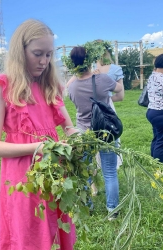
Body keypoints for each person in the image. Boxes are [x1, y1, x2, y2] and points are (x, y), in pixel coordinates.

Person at [0, 19, 77, 250]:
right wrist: (38, 147)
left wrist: (79, 138)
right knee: (28, 233)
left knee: (56, 226)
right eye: (38, 53)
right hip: (22, 176)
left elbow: (69, 128)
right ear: (21, 50)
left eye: (48, 54)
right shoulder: (2, 87)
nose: (44, 61)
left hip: (54, 170)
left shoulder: (50, 85)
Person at [66, 46, 123, 220]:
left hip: (84, 132)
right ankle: (112, 211)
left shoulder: (72, 86)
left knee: (85, 171)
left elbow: (71, 95)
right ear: (89, 60)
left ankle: (87, 208)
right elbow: (119, 89)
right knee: (110, 171)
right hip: (105, 131)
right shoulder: (102, 79)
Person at [146, 54, 163, 162]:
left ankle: (154, 161)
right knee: (161, 141)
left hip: (152, 111)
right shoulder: (161, 78)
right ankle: (160, 165)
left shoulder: (153, 75)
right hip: (160, 112)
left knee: (157, 137)